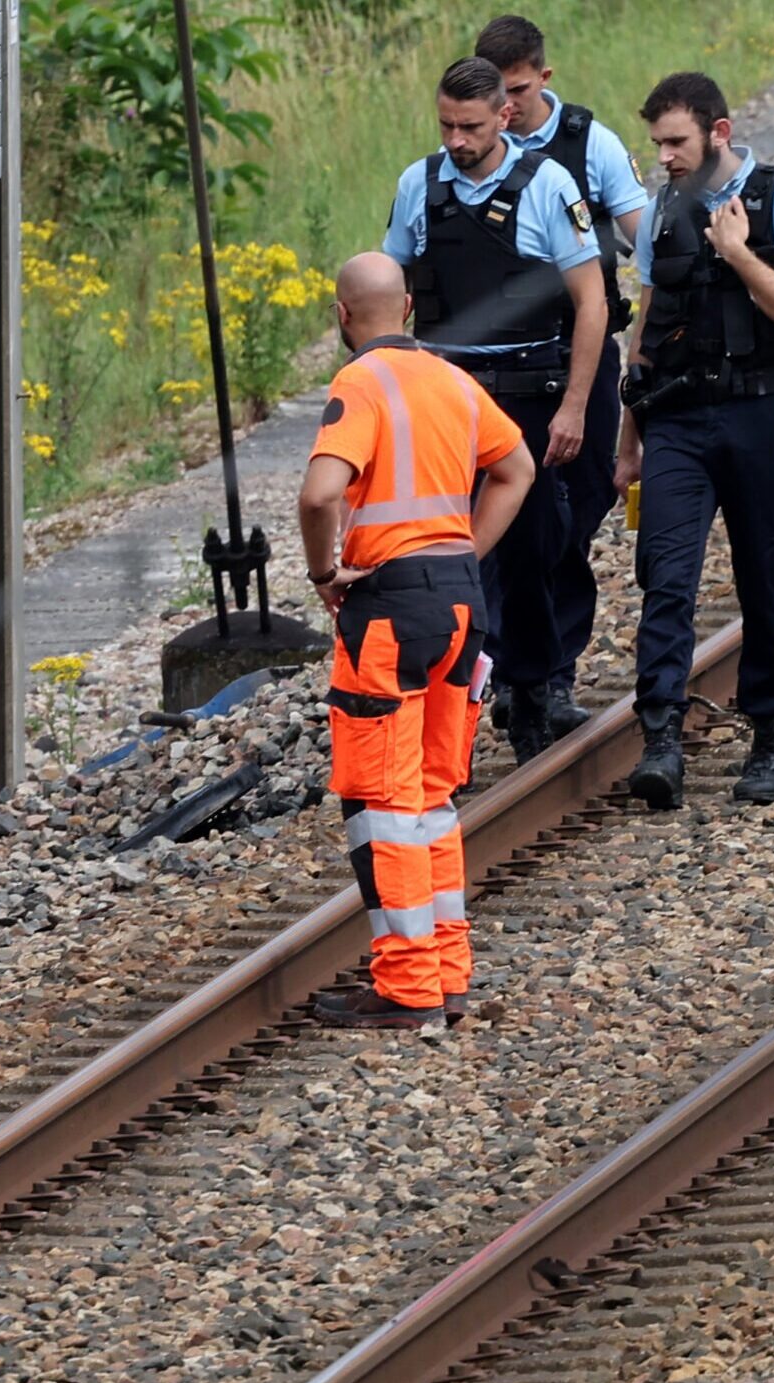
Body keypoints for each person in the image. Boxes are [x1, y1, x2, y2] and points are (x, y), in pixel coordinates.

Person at [299, 254, 537, 1028]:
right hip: (461, 605)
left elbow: (320, 493)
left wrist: (324, 570)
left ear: (343, 317)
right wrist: (466, 550)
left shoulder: (360, 384)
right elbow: (517, 468)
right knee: (433, 797)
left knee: (382, 803)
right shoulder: (453, 381)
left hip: (389, 609)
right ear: (406, 307)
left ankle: (406, 990)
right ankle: (447, 972)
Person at [382, 55, 605, 764]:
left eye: (470, 127)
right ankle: (468, 692)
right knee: (448, 556)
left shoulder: (549, 185)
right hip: (445, 395)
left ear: (504, 117)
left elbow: (591, 303)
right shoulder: (417, 185)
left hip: (527, 398)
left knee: (532, 548)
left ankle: (533, 686)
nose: (455, 139)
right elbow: (389, 288)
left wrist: (574, 406)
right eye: (445, 124)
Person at [615, 72, 774, 808]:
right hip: (676, 419)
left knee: (764, 575)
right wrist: (627, 441)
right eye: (657, 144)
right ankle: (662, 739)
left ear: (719, 132)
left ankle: (772, 737)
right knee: (665, 576)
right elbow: (644, 330)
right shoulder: (663, 208)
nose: (665, 157)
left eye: (676, 142)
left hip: (761, 415)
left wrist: (739, 254)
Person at [477, 15, 653, 733]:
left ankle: (549, 667)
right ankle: (522, 673)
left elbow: (648, 239)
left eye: (517, 91)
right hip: (501, 370)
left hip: (578, 354)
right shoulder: (467, 153)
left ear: (542, 78)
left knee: (575, 512)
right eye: (498, 95)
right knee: (504, 520)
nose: (508, 109)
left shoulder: (591, 144)